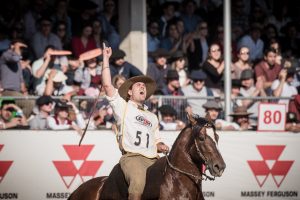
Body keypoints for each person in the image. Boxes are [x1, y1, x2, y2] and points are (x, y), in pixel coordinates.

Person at [101, 43, 169, 200]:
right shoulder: (122, 106)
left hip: (154, 159)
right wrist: (105, 59)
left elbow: (156, 142)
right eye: (138, 84)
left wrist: (161, 145)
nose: (142, 86)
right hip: (133, 158)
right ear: (130, 92)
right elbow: (107, 85)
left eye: (144, 85)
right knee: (138, 182)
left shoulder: (152, 117)